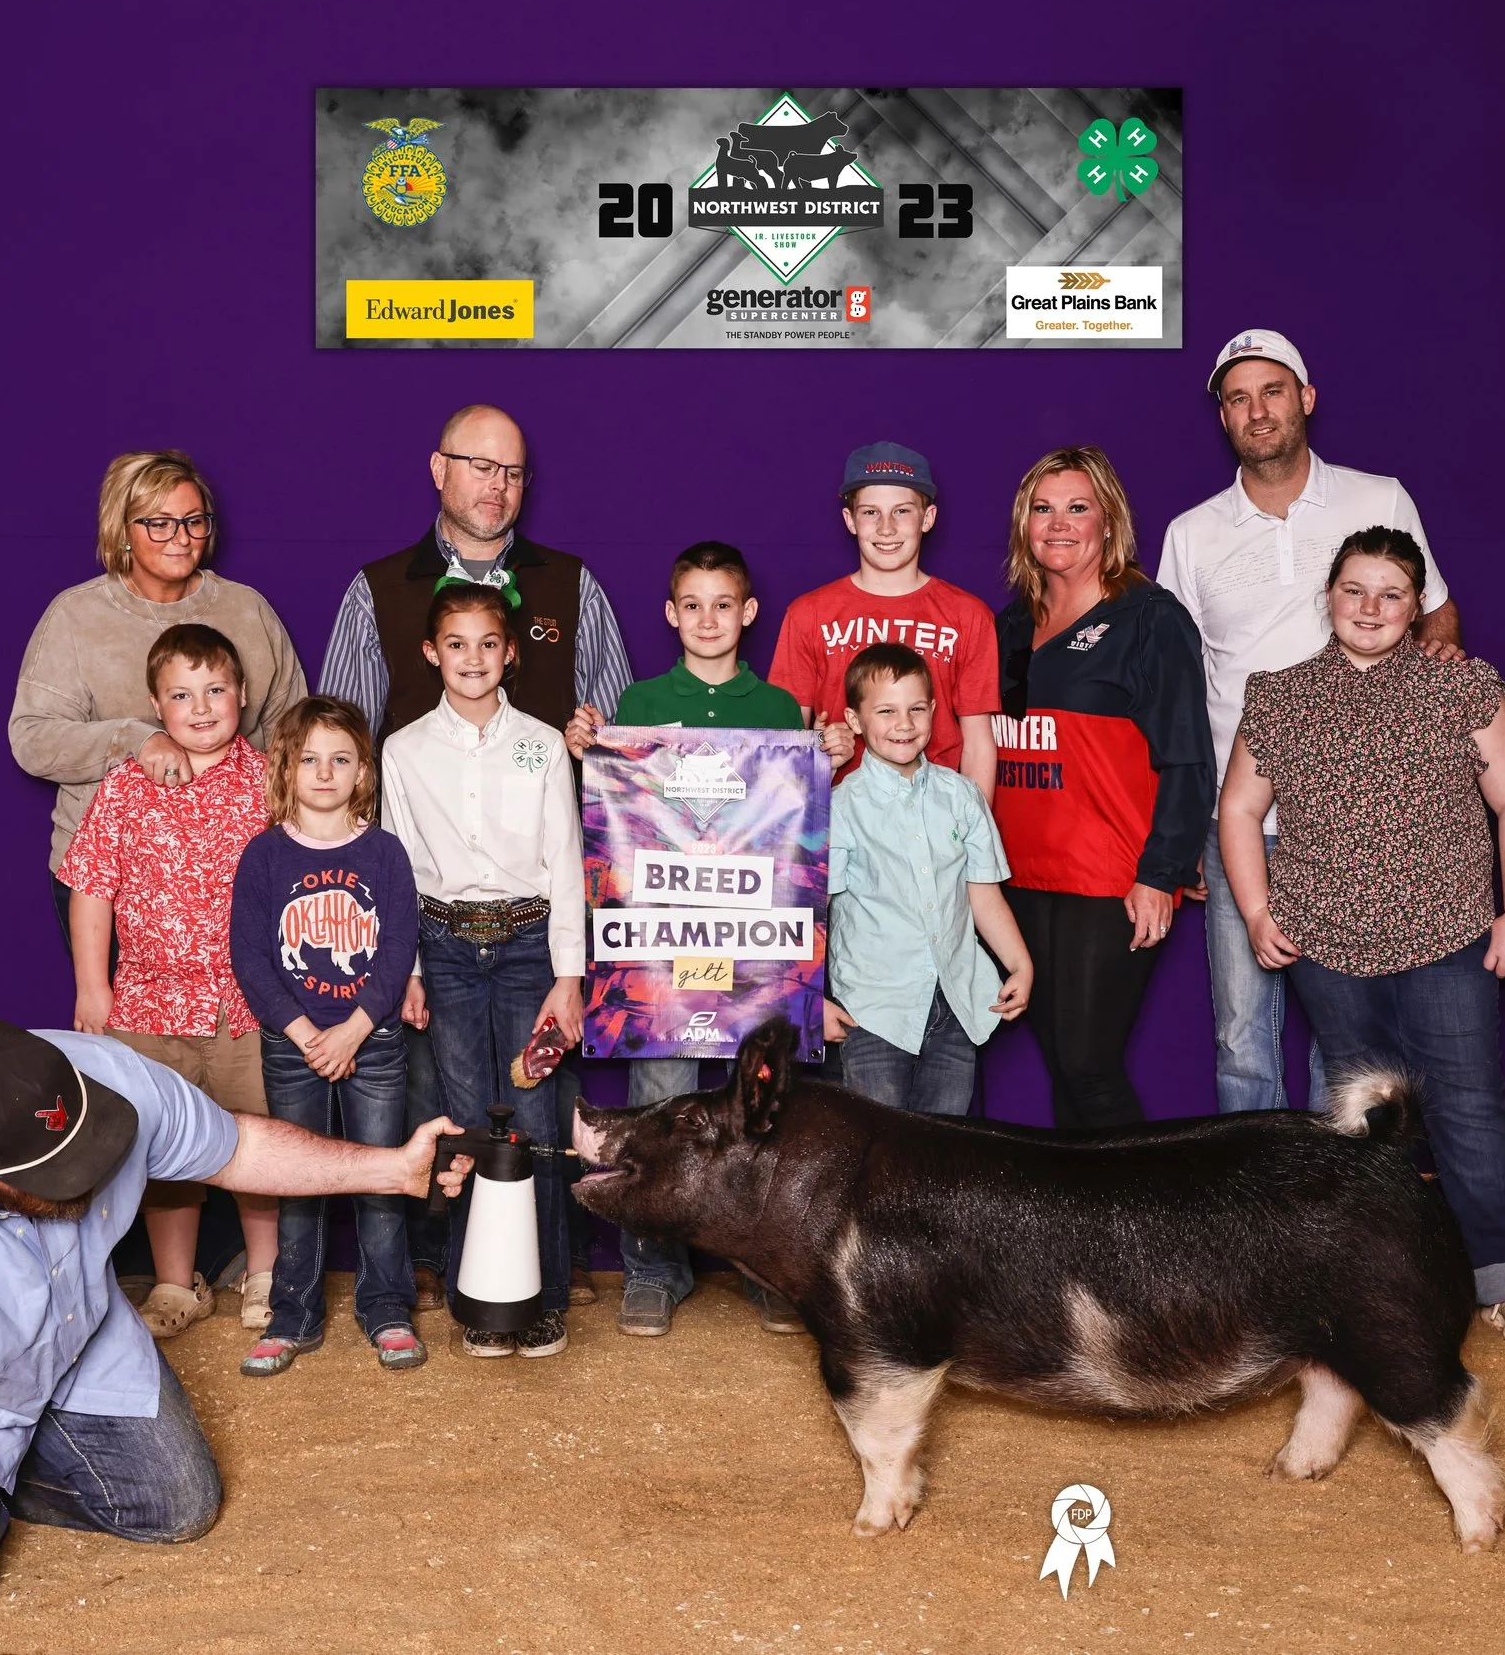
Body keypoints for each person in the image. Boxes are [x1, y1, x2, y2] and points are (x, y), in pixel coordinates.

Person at [0, 1021, 470, 1654]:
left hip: (72, 1330)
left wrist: (390, 1169)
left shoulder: (102, 1080)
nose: (89, 1172)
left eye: (85, 1144)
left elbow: (238, 1148)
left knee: (177, 1504)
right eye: (52, 1173)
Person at [316, 404, 631, 1309]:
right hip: (431, 915)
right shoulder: (378, 589)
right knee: (440, 1100)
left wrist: (593, 737)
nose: (499, 487)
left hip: (536, 906)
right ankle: (456, 1276)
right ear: (439, 470)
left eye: (514, 472)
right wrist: (391, 938)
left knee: (538, 1101)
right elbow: (343, 746)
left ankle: (545, 1278)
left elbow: (608, 749)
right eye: (480, 467)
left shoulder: (570, 586)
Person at [1216, 526, 1505, 1344]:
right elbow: (1238, 810)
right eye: (1354, 590)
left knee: (1469, 1107)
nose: (1369, 608)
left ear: (1417, 608)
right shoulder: (1280, 695)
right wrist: (1260, 910)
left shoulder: (1465, 688)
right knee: (1364, 1117)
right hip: (1327, 945)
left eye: (1391, 594)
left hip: (1448, 936)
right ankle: (1372, 1281)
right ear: (1328, 597)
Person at [1157, 332, 1466, 1114]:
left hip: (1361, 817)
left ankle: (1352, 1222)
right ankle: (1258, 1226)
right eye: (1237, 397)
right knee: (1241, 1035)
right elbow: (1174, 686)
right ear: (1221, 416)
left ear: (1306, 399)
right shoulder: (1192, 534)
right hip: (1242, 819)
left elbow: (1437, 621)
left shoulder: (1380, 498)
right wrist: (1185, 824)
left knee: (1356, 1039)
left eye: (1272, 391)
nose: (1257, 410)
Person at [565, 541, 830, 1338]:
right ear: (671, 613)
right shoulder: (639, 703)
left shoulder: (783, 711)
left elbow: (802, 831)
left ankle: (768, 1267)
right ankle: (653, 1266)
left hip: (756, 949)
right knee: (662, 1102)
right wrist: (591, 747)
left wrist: (832, 757)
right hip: (662, 952)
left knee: (763, 1110)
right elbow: (611, 818)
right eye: (693, 605)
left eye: (725, 605)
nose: (709, 620)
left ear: (749, 613)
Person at [380, 582, 587, 1358]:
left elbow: (565, 861)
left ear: (511, 652)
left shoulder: (540, 743)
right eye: (456, 645)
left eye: (488, 644)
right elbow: (397, 870)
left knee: (533, 1122)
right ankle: (482, 1299)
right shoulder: (402, 750)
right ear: (433, 653)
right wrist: (405, 970)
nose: (473, 659)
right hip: (447, 952)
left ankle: (543, 1298)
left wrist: (568, 976)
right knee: (467, 1127)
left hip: (531, 947)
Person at [60, 624, 277, 1342]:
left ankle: (266, 1275)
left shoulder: (271, 782)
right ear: (157, 704)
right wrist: (95, 990)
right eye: (182, 694)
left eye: (216, 689)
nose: (203, 706)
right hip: (149, 1002)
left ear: (243, 696)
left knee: (256, 1143)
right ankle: (177, 1283)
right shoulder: (127, 786)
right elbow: (92, 888)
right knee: (164, 1153)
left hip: (247, 1004)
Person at [992, 448, 1213, 1129]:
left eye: (1078, 508)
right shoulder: (1008, 627)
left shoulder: (1149, 619)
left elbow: (1188, 759)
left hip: (1110, 879)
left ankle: (1141, 1232)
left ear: (1109, 523)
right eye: (1043, 508)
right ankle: (1084, 1233)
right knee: (1062, 1062)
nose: (1059, 524)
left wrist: (1162, 873)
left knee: (1090, 1064)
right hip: (1019, 880)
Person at [11, 449, 307, 947]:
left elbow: (293, 733)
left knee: (248, 1023)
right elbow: (32, 738)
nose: (182, 538)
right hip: (112, 881)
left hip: (239, 874)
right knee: (125, 1023)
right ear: (122, 529)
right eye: (161, 524)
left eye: (194, 521)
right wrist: (135, 739)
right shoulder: (76, 617)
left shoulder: (246, 609)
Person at [230, 695, 423, 1374]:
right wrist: (309, 1031)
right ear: (287, 769)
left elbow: (398, 948)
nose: (324, 772)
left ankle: (388, 1306)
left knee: (381, 1175)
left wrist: (355, 1030)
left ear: (362, 771)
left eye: (340, 759)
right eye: (309, 759)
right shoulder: (263, 857)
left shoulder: (384, 853)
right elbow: (250, 958)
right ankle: (294, 1311)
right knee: (298, 1179)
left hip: (371, 1039)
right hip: (294, 1042)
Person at [824, 642, 1032, 1114]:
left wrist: (1020, 964)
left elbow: (983, 892)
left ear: (935, 712)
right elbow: (820, 909)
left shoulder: (962, 797)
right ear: (855, 721)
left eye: (917, 709)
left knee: (944, 1152)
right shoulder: (840, 806)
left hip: (958, 1002)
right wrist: (812, 1002)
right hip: (872, 1009)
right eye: (886, 711)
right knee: (877, 1153)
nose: (904, 724)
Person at [768, 442, 1000, 800]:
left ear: (928, 517)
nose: (886, 528)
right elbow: (782, 740)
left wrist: (974, 833)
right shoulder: (808, 614)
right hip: (836, 820)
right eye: (871, 512)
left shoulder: (967, 615)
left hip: (935, 824)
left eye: (902, 511)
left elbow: (978, 743)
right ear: (850, 520)